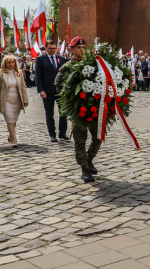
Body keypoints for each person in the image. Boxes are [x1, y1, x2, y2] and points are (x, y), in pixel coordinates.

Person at [58, 37, 101, 182]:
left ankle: (89, 160)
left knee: (98, 137)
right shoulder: (66, 67)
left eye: (83, 47)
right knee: (80, 141)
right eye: (78, 47)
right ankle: (84, 169)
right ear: (71, 49)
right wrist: (70, 101)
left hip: (94, 108)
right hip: (78, 111)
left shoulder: (92, 64)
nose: (82, 50)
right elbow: (58, 86)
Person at [35, 42, 68, 142]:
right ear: (46, 48)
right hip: (47, 91)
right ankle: (52, 134)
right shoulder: (40, 59)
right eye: (50, 48)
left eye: (54, 48)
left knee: (63, 112)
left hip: (60, 91)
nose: (52, 50)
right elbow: (38, 75)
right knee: (49, 113)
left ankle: (62, 132)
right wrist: (40, 90)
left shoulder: (61, 59)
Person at [0, 54, 29, 145]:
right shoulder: (0, 73)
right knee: (9, 118)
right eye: (8, 62)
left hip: (17, 99)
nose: (11, 64)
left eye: (12, 62)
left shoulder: (19, 72)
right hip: (6, 100)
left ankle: (10, 134)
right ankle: (14, 139)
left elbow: (22, 86)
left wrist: (25, 99)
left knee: (13, 119)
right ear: (5, 63)